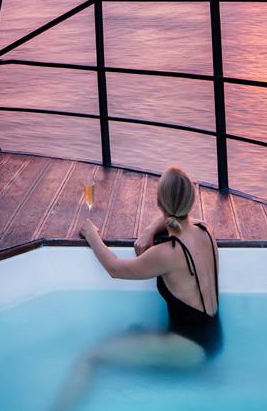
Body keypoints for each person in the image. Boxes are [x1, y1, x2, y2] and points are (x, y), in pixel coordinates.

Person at [52, 166, 221, 410]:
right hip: (213, 337)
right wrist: (150, 230)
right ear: (191, 200)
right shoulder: (206, 231)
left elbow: (114, 268)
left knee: (90, 357)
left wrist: (91, 235)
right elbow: (174, 217)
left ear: (158, 202)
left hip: (189, 350)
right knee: (132, 332)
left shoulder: (167, 253)